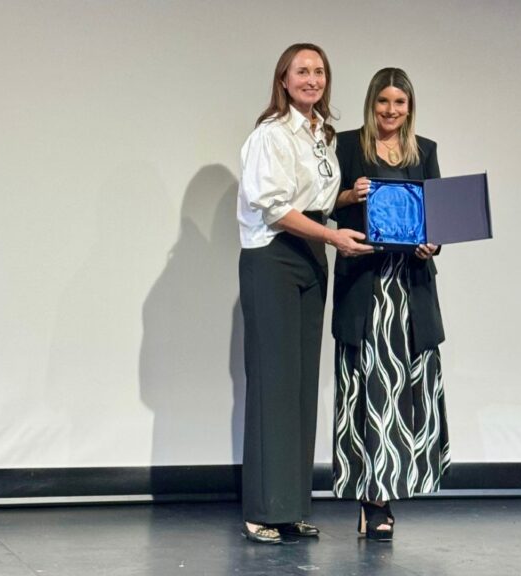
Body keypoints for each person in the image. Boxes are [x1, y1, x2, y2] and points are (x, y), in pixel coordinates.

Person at [236, 43, 372, 545]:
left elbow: (311, 202)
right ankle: (261, 512)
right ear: (284, 80)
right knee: (273, 383)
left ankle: (290, 508)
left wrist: (347, 199)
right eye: (302, 71)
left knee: (299, 385)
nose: (312, 79)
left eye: (319, 71)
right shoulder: (271, 135)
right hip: (274, 257)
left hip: (311, 252)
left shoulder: (320, 134)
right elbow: (274, 209)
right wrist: (335, 236)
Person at [330, 67, 451, 541]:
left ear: (409, 107)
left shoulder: (427, 152)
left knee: (405, 395)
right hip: (365, 288)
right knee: (368, 393)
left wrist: (433, 245)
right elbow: (321, 209)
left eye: (399, 103)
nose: (391, 111)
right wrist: (348, 193)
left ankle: (391, 491)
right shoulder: (347, 146)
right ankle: (372, 501)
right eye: (384, 102)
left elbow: (438, 221)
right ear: (371, 103)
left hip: (410, 291)